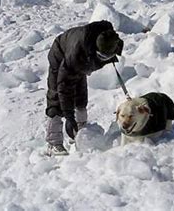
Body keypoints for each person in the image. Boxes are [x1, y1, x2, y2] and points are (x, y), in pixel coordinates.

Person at [45, 20, 124, 156]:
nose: (103, 59)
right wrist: (69, 116)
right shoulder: (75, 55)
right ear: (95, 50)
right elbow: (64, 86)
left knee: (81, 94)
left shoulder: (111, 40)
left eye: (107, 57)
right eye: (101, 56)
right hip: (60, 54)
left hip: (82, 55)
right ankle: (54, 143)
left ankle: (80, 132)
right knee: (56, 96)